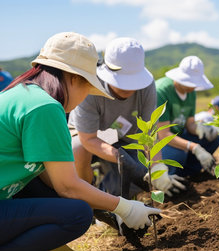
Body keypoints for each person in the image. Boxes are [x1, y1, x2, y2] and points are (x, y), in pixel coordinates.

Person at [0, 32, 160, 251]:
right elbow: (69, 187)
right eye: (87, 88)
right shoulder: (45, 107)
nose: (85, 97)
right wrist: (125, 207)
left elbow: (53, 185)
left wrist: (109, 212)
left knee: (46, 192)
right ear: (74, 78)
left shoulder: (20, 96)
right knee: (76, 215)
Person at [69, 37, 186, 200]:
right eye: (122, 82)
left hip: (120, 136)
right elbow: (88, 138)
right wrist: (120, 158)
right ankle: (87, 196)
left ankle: (110, 194)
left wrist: (158, 168)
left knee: (128, 187)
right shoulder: (91, 86)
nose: (128, 89)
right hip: (88, 135)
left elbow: (149, 132)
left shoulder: (147, 86)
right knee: (78, 149)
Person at [156, 56, 219, 177]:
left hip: (178, 135)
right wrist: (195, 147)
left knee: (215, 139)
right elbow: (163, 134)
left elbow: (189, 123)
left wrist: (199, 128)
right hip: (158, 142)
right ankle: (167, 176)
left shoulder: (191, 93)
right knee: (179, 153)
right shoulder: (161, 91)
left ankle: (188, 174)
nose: (194, 87)